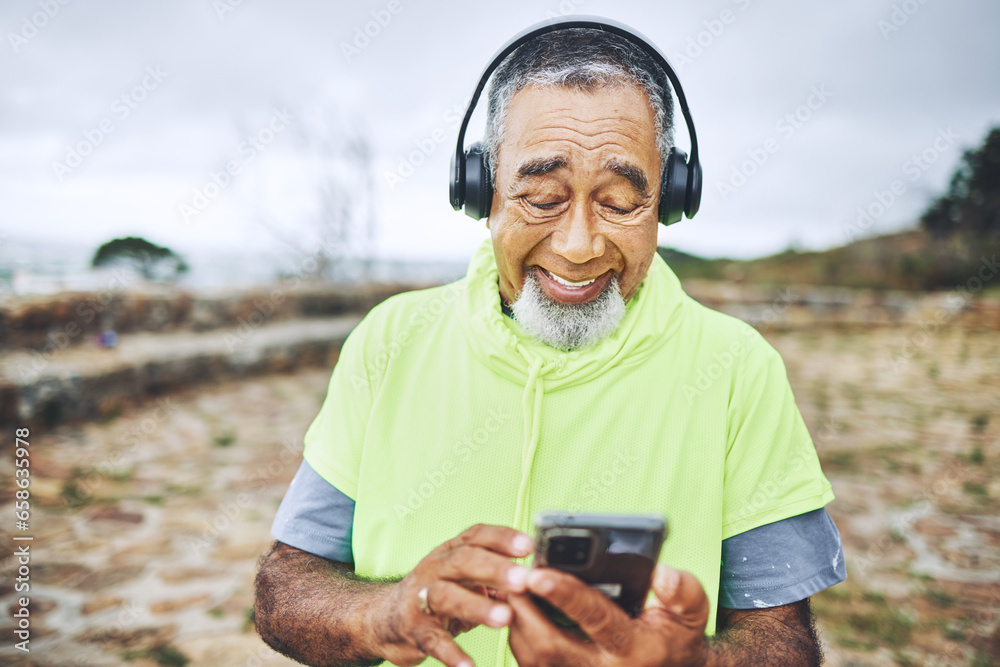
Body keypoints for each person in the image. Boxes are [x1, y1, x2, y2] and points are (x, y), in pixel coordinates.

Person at [254, 18, 845, 667]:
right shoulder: (390, 339)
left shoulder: (738, 369)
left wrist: (693, 663)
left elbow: (787, 647)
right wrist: (381, 614)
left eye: (620, 202)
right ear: (480, 190)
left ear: (670, 199)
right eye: (540, 197)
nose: (578, 245)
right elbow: (283, 590)